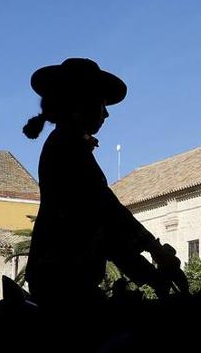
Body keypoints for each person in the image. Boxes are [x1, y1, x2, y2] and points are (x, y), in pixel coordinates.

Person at [22, 58, 188, 330]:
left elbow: (104, 228)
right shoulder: (67, 148)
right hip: (64, 280)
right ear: (80, 105)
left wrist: (147, 271)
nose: (106, 114)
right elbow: (107, 212)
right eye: (101, 105)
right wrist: (154, 252)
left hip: (63, 277)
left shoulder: (65, 145)